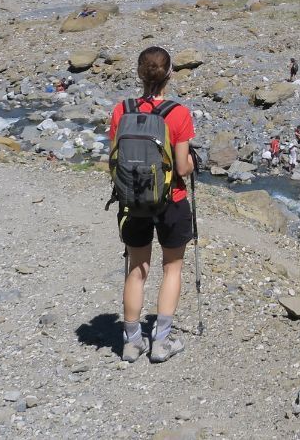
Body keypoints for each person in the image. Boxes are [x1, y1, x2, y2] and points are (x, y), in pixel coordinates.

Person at [110, 46, 196, 364]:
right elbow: (183, 168)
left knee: (137, 269)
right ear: (170, 73)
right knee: (172, 267)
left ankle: (132, 342)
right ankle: (161, 342)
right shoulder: (178, 113)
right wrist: (192, 161)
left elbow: (114, 158)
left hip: (132, 200)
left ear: (139, 73)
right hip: (172, 200)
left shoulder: (122, 110)